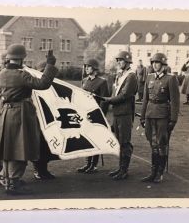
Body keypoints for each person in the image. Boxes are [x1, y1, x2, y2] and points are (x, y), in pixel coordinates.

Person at [0, 44, 58, 194]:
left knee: (7, 148)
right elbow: (43, 84)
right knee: (20, 147)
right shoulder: (22, 75)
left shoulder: (0, 74)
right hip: (20, 114)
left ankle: (6, 178)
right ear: (21, 58)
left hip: (4, 114)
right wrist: (50, 64)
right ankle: (13, 183)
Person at [140, 53, 180, 183]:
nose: (155, 65)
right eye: (153, 63)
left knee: (161, 143)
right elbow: (145, 98)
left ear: (163, 65)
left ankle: (160, 173)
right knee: (153, 144)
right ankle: (153, 172)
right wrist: (142, 116)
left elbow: (175, 101)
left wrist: (173, 119)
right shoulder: (149, 77)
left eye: (157, 63)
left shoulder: (170, 79)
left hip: (163, 115)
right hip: (150, 114)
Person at [101, 51, 138, 180]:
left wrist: (109, 100)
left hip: (125, 113)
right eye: (118, 60)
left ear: (127, 62)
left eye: (121, 60)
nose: (118, 62)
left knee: (125, 142)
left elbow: (125, 95)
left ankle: (124, 170)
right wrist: (110, 99)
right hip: (118, 113)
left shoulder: (131, 76)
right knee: (119, 141)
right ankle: (121, 168)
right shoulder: (120, 75)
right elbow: (115, 92)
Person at [76, 59, 110, 174]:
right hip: (85, 115)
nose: (86, 68)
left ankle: (93, 165)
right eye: (85, 66)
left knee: (95, 140)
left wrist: (100, 116)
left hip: (96, 115)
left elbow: (104, 101)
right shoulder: (84, 80)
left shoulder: (102, 82)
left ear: (94, 69)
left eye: (89, 67)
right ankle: (87, 163)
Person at [31, 61, 60, 180]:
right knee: (38, 147)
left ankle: (44, 170)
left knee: (47, 148)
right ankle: (38, 170)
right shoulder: (34, 85)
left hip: (49, 121)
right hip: (37, 121)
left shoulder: (52, 86)